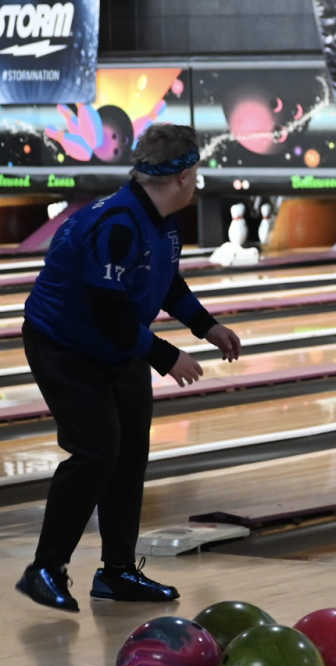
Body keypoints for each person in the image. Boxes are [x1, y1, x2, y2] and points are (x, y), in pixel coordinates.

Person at [16, 123, 241, 612]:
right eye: (197, 172)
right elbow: (108, 312)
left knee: (129, 453)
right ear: (183, 175)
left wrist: (207, 328)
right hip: (65, 346)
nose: (198, 181)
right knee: (97, 451)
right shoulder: (118, 223)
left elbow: (166, 283)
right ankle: (44, 570)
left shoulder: (159, 221)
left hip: (114, 347)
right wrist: (167, 356)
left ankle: (117, 572)